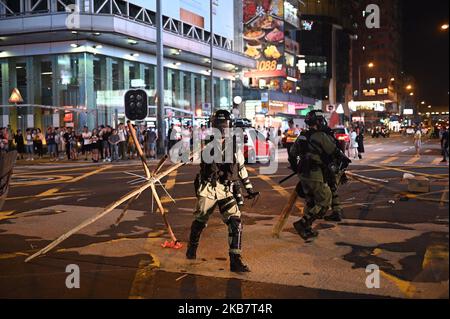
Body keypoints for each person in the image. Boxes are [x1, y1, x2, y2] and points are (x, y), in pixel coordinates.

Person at [186, 110, 260, 273]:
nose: (222, 130)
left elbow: (240, 168)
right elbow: (189, 155)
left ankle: (235, 260)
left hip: (226, 189)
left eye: (225, 126)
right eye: (219, 126)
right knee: (200, 221)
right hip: (208, 189)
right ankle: (191, 249)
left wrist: (249, 189)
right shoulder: (205, 143)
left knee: (235, 222)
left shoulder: (234, 146)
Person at [288, 110, 351, 240]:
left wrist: (296, 169)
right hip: (315, 173)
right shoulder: (321, 136)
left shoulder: (302, 136)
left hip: (303, 174)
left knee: (310, 201)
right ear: (318, 122)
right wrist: (343, 160)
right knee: (324, 200)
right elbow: (333, 151)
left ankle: (307, 230)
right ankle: (303, 223)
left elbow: (292, 154)